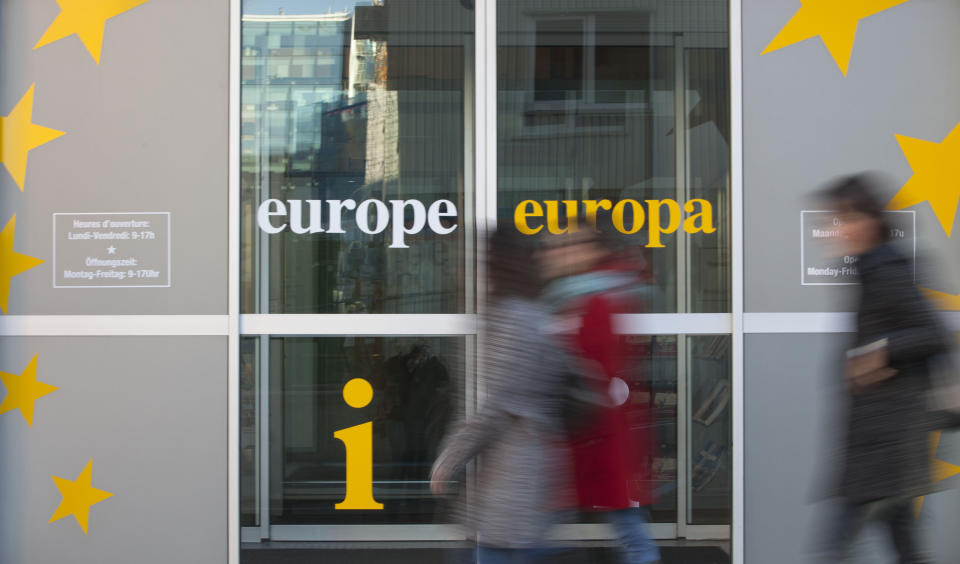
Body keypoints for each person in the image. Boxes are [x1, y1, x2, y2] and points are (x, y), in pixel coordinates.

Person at [817, 174, 948, 563]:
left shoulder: (885, 271)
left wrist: (881, 353)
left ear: (869, 221)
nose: (835, 229)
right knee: (904, 544)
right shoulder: (869, 269)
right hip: (883, 442)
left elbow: (934, 334)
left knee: (835, 545)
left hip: (885, 444)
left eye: (842, 219)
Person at [430, 228, 567, 564]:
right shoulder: (530, 312)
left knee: (495, 552)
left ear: (495, 265)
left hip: (515, 470)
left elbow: (497, 404)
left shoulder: (513, 317)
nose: (470, 272)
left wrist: (450, 458)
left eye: (479, 263)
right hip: (524, 464)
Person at [540, 228, 661, 564]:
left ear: (589, 249)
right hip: (593, 430)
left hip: (596, 430)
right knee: (624, 524)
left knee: (627, 529)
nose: (554, 253)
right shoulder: (587, 292)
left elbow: (593, 365)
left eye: (565, 246)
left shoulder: (595, 296)